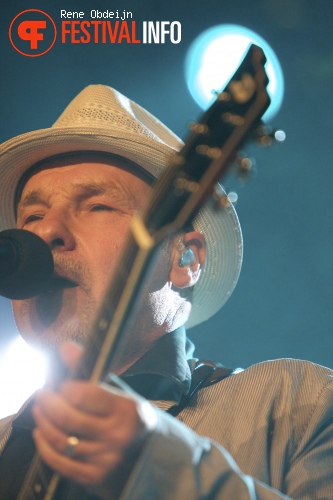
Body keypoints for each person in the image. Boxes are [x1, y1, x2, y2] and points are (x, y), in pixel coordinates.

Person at [0, 85, 332, 499]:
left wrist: (159, 468)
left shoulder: (297, 403)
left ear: (185, 260)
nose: (46, 232)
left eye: (97, 206)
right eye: (32, 216)